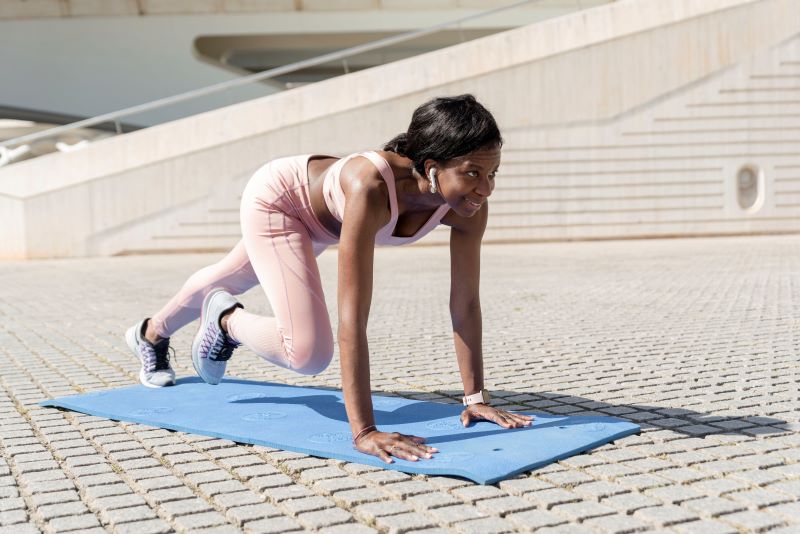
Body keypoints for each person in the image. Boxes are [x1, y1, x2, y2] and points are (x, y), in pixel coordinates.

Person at [126, 94, 532, 464]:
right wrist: (365, 431)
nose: (485, 188)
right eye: (473, 173)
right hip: (281, 201)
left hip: (322, 220)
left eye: (493, 173)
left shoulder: (468, 207)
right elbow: (352, 319)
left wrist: (475, 398)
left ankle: (150, 334)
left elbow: (465, 305)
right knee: (308, 352)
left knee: (226, 275)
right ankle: (226, 321)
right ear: (431, 168)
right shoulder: (370, 187)